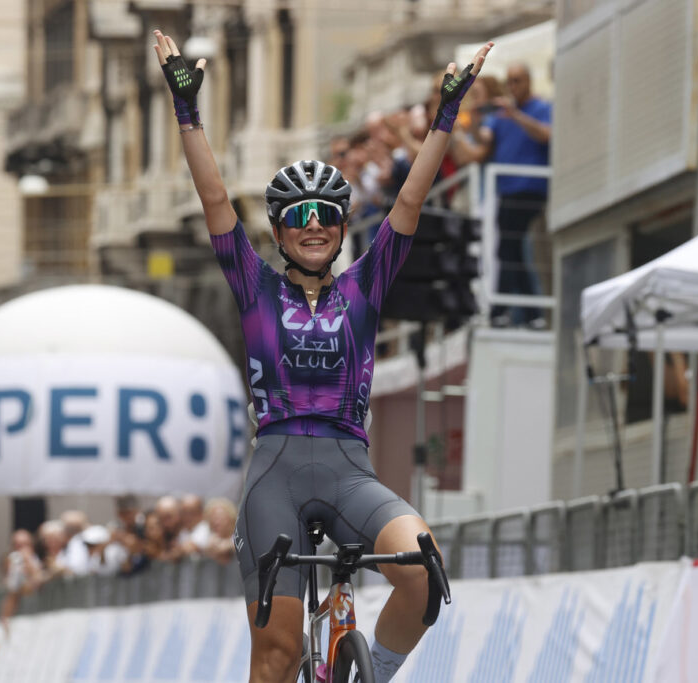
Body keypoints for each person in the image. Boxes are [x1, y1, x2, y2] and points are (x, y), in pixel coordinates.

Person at [153, 29, 493, 683]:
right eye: (299, 214)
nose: (314, 223)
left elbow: (410, 202)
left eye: (328, 214)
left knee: (423, 569)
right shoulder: (254, 286)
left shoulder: (366, 284)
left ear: (341, 228)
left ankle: (366, 676)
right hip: (275, 473)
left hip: (348, 469)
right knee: (276, 657)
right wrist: (186, 112)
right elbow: (218, 202)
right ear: (280, 231)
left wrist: (445, 113)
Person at [457, 62, 551, 326]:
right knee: (510, 250)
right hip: (507, 191)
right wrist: (474, 122)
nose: (513, 87)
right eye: (509, 81)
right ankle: (528, 313)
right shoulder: (501, 116)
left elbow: (546, 135)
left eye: (517, 81)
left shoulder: (541, 108)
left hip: (530, 189)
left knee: (508, 249)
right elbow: (485, 140)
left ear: (529, 81)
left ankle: (504, 309)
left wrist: (516, 115)